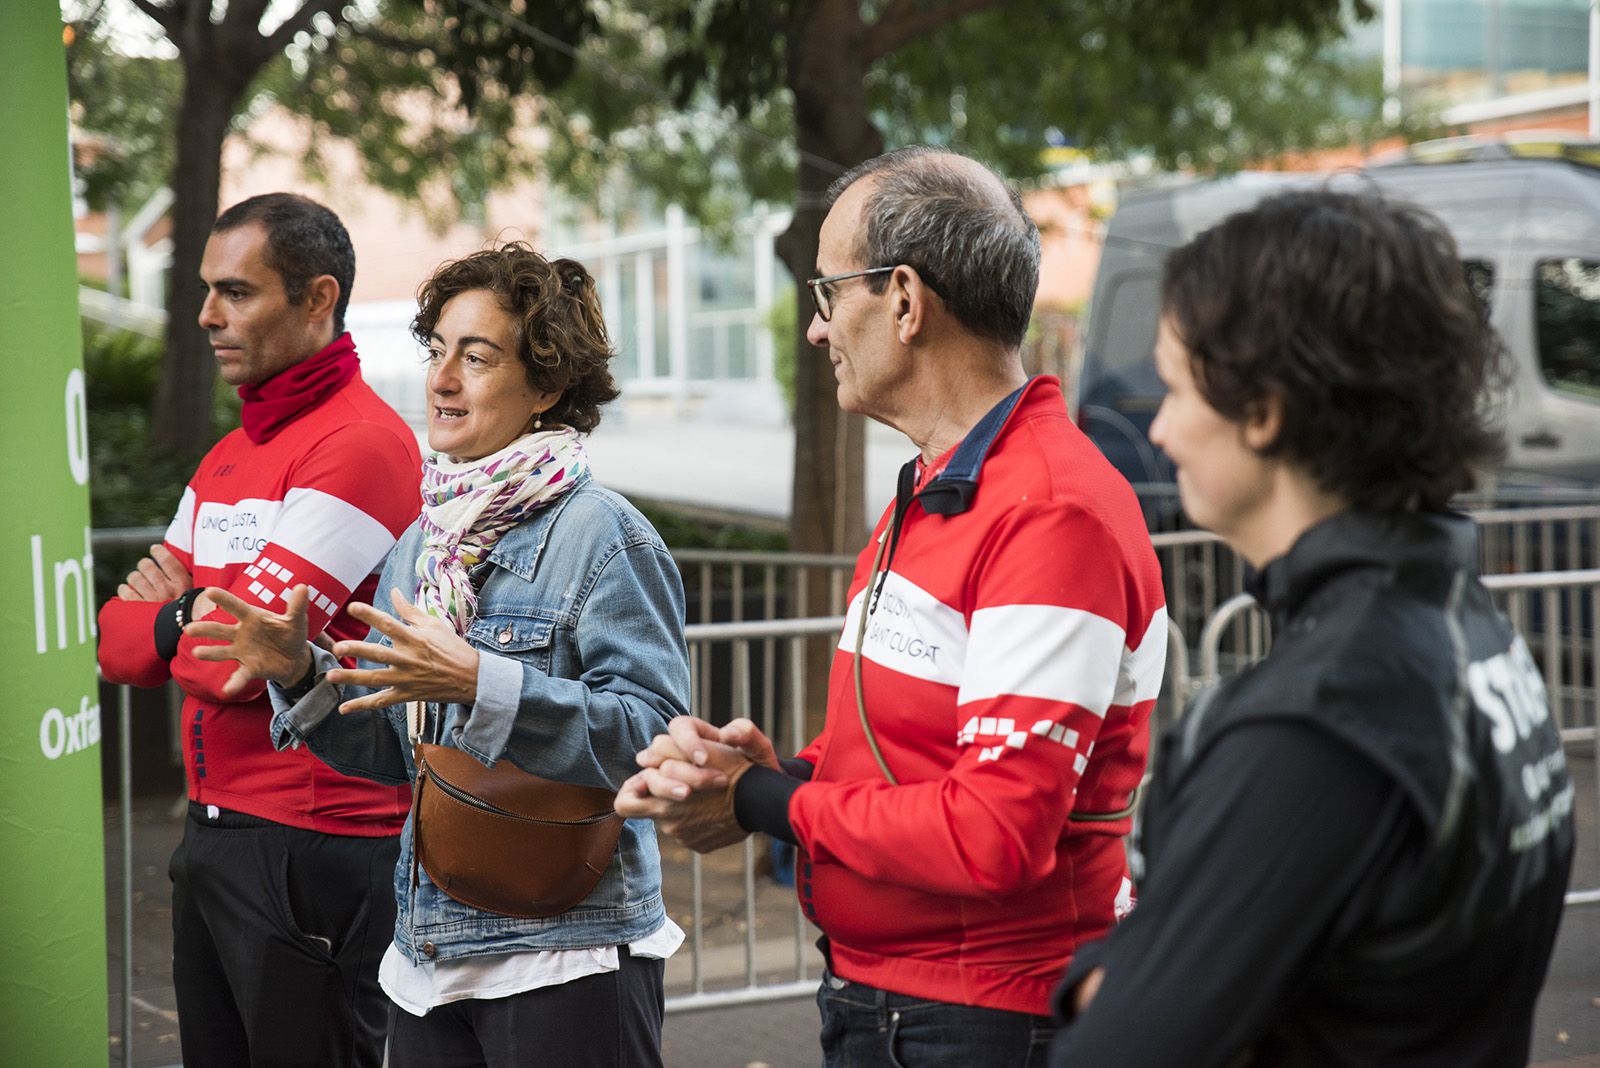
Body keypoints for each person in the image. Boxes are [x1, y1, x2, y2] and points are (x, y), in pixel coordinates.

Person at [616, 146, 1168, 1066]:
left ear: (905, 300)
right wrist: (779, 775)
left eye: (828, 294)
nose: (816, 330)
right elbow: (905, 753)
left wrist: (762, 802)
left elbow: (996, 834)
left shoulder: (1047, 509)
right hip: (899, 998)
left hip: (987, 1015)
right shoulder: (942, 479)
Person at [1049, 188, 1576, 1066]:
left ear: (1264, 411)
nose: (1162, 431)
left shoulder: (1317, 723)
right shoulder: (1467, 627)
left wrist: (1110, 977)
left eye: (1174, 389)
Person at [186, 242, 690, 1067]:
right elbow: (399, 755)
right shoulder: (425, 541)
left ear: (548, 386)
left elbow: (654, 738)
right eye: (437, 351)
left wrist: (483, 684)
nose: (442, 379)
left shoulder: (602, 533)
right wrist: (299, 673)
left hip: (566, 953)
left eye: (478, 356)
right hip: (426, 955)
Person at [97, 193, 422, 1067]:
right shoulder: (230, 452)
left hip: (314, 847)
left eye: (236, 293)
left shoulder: (359, 445)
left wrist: (177, 620)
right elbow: (114, 642)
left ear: (318, 298)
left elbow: (235, 669)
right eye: (206, 290)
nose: (206, 315)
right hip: (218, 840)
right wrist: (183, 618)